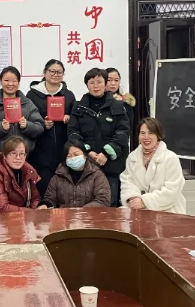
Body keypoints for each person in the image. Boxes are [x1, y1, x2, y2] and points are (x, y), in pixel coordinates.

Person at [68, 68, 130, 207]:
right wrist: (87, 152)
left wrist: (106, 154)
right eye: (91, 82)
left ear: (105, 83)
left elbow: (123, 132)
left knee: (110, 205)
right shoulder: (78, 107)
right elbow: (73, 133)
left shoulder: (118, 106)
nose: (96, 86)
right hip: (86, 166)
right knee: (87, 206)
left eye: (99, 82)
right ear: (87, 85)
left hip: (111, 166)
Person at [26, 59, 76, 196]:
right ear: (44, 73)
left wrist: (69, 118)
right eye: (52, 71)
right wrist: (42, 123)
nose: (55, 75)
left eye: (59, 72)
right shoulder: (32, 95)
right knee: (42, 186)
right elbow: (27, 119)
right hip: (39, 148)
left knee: (63, 187)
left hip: (62, 146)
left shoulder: (69, 95)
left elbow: (76, 118)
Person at [120, 118, 186, 214]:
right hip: (137, 209)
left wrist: (145, 201)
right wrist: (133, 198)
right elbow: (127, 181)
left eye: (151, 133)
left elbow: (172, 190)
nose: (146, 137)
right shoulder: (132, 157)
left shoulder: (170, 158)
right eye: (142, 133)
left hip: (167, 210)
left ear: (158, 135)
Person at [0, 66, 44, 154]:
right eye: (6, 80)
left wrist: (27, 125)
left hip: (24, 155)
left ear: (18, 83)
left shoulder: (28, 104)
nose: (10, 84)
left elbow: (40, 127)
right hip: (0, 154)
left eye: (14, 81)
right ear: (0, 81)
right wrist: (1, 127)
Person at [41, 142, 111, 208]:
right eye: (69, 156)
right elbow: (50, 198)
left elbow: (103, 200)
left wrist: (81, 212)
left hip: (89, 215)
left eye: (76, 155)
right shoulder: (58, 176)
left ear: (85, 155)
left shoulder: (97, 175)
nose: (73, 158)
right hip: (65, 216)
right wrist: (45, 205)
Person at [0, 136, 42, 213]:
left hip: (26, 216)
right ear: (4, 155)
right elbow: (3, 208)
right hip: (2, 218)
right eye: (13, 153)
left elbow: (35, 198)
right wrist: (31, 212)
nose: (18, 158)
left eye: (22, 154)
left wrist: (35, 211)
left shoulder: (28, 171)